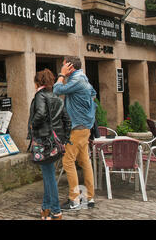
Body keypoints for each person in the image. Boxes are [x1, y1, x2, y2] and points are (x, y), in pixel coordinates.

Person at [53, 56, 97, 211]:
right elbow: (93, 93)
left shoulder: (77, 80)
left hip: (77, 127)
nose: (62, 67)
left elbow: (56, 90)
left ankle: (74, 200)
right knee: (85, 161)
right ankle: (90, 198)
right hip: (84, 127)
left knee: (68, 162)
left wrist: (62, 74)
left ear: (70, 67)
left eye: (64, 65)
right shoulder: (83, 78)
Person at [28, 69, 72, 220]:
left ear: (38, 82)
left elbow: (40, 114)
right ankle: (45, 208)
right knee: (48, 175)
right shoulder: (56, 97)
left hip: (44, 142)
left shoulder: (40, 95)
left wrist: (33, 125)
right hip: (56, 143)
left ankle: (56, 211)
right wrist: (64, 140)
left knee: (49, 177)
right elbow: (67, 120)